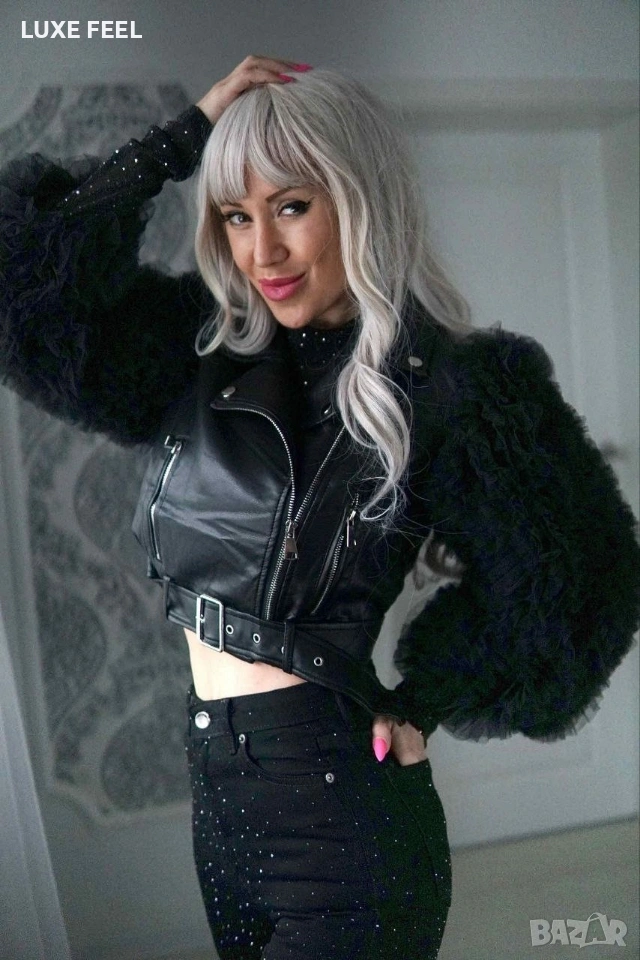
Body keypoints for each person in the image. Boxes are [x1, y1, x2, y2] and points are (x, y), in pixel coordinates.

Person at [0, 55, 638, 960]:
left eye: (292, 206)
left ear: (360, 197)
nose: (261, 252)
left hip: (343, 818)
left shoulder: (453, 386)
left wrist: (428, 700)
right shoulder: (200, 354)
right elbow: (21, 297)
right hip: (219, 804)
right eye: (236, 215)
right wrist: (182, 140)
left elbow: (584, 580)